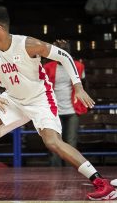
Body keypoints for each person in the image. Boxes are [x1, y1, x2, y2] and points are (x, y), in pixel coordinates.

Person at [0, 6, 117, 201]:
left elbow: (65, 56)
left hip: (40, 99)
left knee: (52, 142)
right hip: (13, 98)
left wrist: (78, 86)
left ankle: (101, 183)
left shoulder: (28, 44)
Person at [43, 39, 88, 167]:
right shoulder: (47, 67)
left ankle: (71, 170)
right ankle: (54, 172)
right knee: (54, 143)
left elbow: (83, 85)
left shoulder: (78, 66)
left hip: (72, 110)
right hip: (53, 111)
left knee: (71, 142)